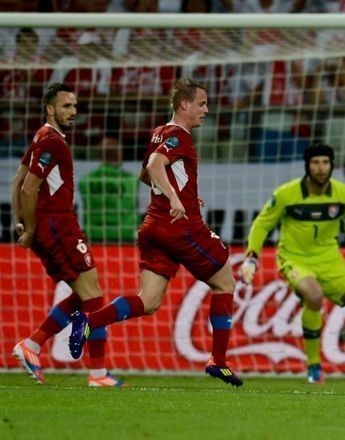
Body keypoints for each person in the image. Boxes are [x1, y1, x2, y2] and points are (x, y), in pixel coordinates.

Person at [68, 79, 243, 387]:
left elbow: (144, 174)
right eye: (201, 103)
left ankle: (89, 321)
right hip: (180, 227)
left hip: (152, 227)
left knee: (148, 301)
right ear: (184, 105)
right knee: (225, 279)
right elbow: (154, 164)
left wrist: (183, 192)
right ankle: (218, 359)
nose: (206, 109)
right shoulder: (179, 135)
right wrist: (177, 199)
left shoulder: (158, 132)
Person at [239, 142, 345, 386]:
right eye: (315, 163)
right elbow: (262, 224)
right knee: (314, 296)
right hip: (294, 258)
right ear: (307, 166)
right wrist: (252, 255)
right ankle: (314, 366)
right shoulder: (286, 194)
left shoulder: (344, 194)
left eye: (325, 162)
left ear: (332, 165)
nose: (320, 168)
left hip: (330, 259)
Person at [10, 83, 124, 387]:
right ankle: (97, 374)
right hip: (57, 225)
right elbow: (27, 187)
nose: (73, 112)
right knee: (94, 298)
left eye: (74, 106)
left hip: (55, 224)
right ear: (50, 109)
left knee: (86, 295)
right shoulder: (52, 142)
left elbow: (17, 181)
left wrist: (18, 222)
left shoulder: (41, 136)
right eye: (66, 106)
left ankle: (33, 345)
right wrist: (31, 228)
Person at [78, 137, 140, 242]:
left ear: (100, 156)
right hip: (125, 235)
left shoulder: (85, 181)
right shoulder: (133, 181)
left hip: (94, 236)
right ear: (120, 155)